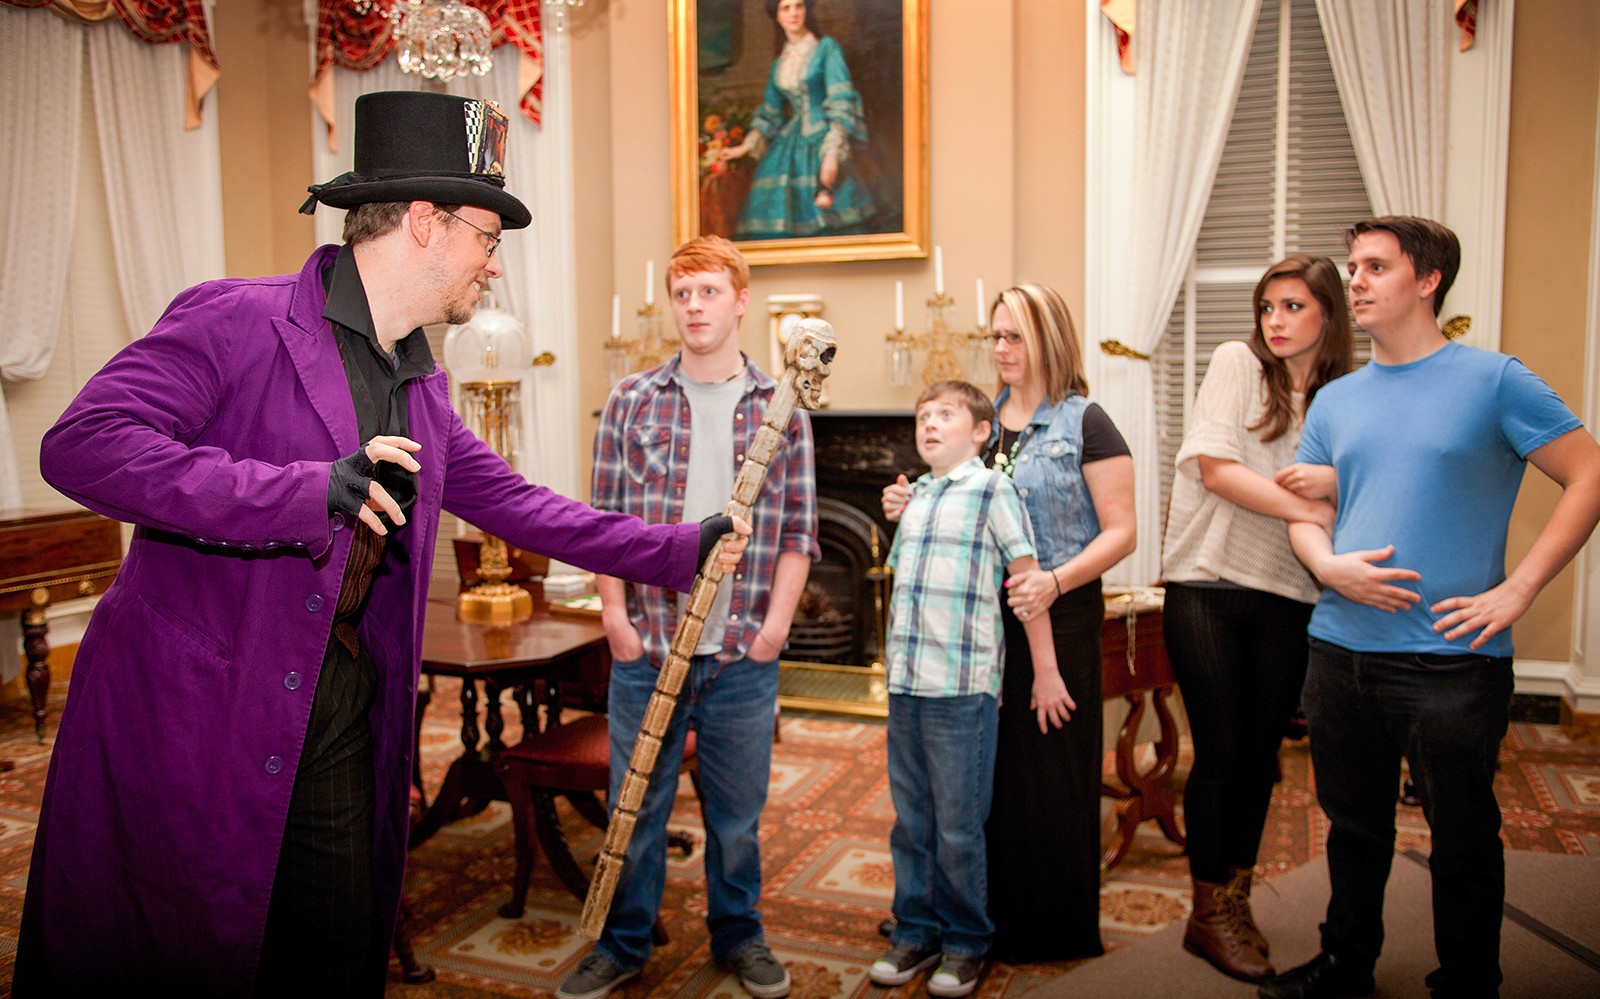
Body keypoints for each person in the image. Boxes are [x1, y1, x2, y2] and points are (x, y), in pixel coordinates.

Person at [15, 91, 750, 995]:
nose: (493, 266)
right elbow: (82, 445)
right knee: (182, 945)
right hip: (198, 708)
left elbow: (522, 505)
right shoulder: (234, 321)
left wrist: (677, 547)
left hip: (337, 705)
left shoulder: (422, 387)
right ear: (423, 222)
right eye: (487, 237)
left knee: (330, 944)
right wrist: (306, 491)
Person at [1261, 217, 1600, 999]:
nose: (1357, 281)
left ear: (1428, 280)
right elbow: (1303, 511)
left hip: (1452, 661)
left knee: (1464, 839)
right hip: (1340, 652)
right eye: (1353, 267)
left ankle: (1470, 979)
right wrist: (1330, 567)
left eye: (1376, 266)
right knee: (1353, 830)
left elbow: (1586, 475)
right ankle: (1347, 963)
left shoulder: (1495, 380)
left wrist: (1519, 588)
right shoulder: (1336, 399)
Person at [561, 234, 818, 999]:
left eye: (709, 292)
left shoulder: (785, 413)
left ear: (741, 300)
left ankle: (740, 934)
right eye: (683, 294)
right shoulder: (630, 403)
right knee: (635, 806)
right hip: (648, 642)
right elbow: (603, 520)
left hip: (741, 652)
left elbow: (799, 532)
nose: (695, 307)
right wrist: (614, 615)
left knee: (736, 817)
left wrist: (772, 631)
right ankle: (623, 943)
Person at [883, 283, 1136, 961]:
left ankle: (1051, 926)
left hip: (1064, 615)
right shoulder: (978, 419)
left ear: (1050, 337)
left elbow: (1123, 532)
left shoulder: (1087, 422)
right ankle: (980, 918)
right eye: (995, 335)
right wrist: (910, 498)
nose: (1001, 349)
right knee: (983, 784)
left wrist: (1053, 581)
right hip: (986, 626)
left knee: (1050, 778)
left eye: (1015, 335)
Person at [1159, 254, 1351, 982]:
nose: (1275, 321)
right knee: (1223, 752)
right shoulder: (1238, 360)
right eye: (1268, 305)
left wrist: (1334, 492)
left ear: (1328, 316)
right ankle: (1206, 915)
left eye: (1294, 306)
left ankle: (1233, 895)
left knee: (1260, 762)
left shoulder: (1341, 397)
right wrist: (1313, 504)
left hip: (1291, 593)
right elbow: (1216, 467)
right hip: (1207, 584)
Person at [868, 380, 1074, 999]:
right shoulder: (918, 497)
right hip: (906, 685)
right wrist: (903, 504)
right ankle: (915, 929)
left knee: (958, 825)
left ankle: (965, 941)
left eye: (946, 415)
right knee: (912, 821)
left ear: (982, 432)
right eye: (923, 417)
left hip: (962, 690)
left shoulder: (993, 490)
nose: (929, 425)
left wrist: (1046, 669)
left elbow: (1026, 582)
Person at [718, 0, 876, 238]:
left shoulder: (826, 49)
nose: (793, 13)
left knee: (834, 221)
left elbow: (841, 98)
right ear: (777, 16)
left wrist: (833, 151)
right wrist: (746, 146)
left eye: (799, 6)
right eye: (786, 8)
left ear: (807, 10)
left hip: (823, 139)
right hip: (789, 143)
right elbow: (772, 110)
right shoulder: (779, 63)